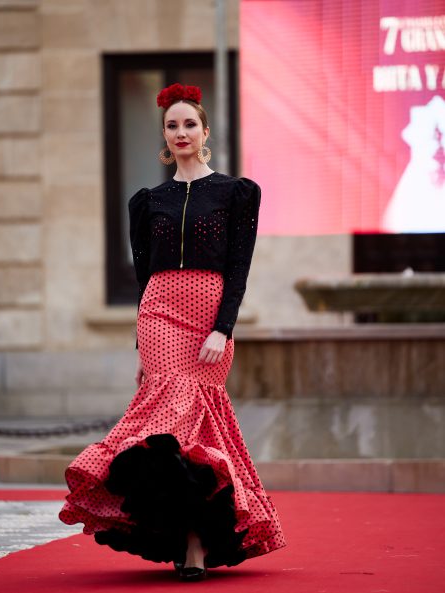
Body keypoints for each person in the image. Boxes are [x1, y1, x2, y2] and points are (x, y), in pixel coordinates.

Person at [59, 82, 286, 582]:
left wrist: (222, 328)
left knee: (195, 431)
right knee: (162, 435)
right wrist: (143, 342)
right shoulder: (148, 200)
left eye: (189, 124)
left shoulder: (235, 193)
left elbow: (238, 269)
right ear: (163, 135)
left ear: (204, 131)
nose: (180, 132)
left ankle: (196, 540)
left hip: (208, 316)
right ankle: (184, 536)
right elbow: (144, 275)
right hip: (159, 314)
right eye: (171, 125)